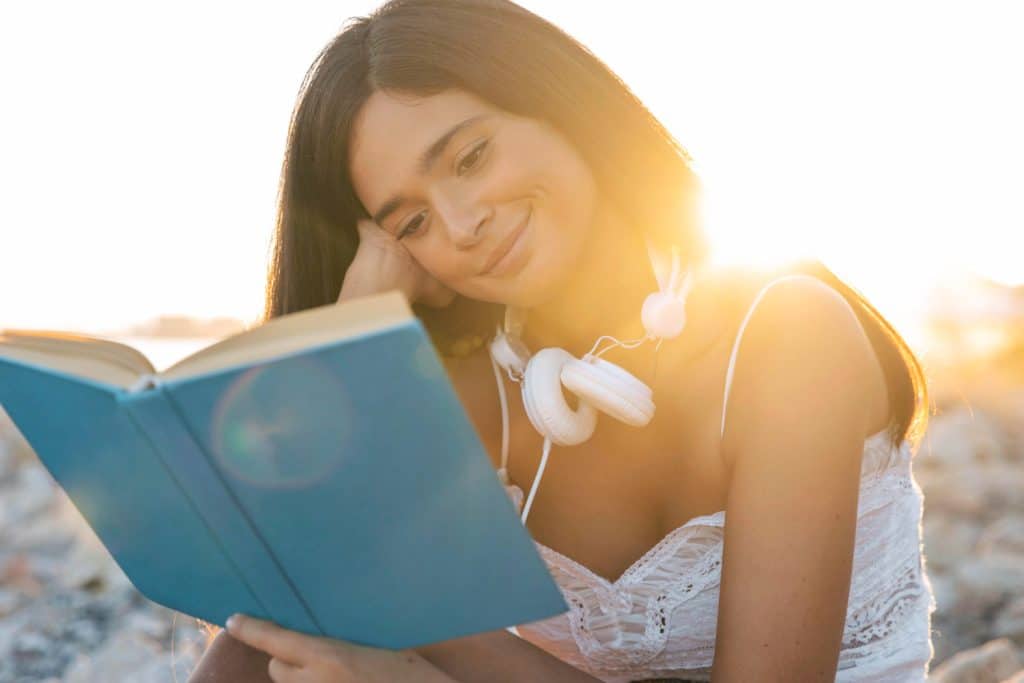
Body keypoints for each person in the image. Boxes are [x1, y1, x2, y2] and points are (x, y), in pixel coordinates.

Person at [186, 0, 937, 680]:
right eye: (410, 222)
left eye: (470, 156)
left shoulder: (783, 333)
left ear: (557, 102)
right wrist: (352, 332)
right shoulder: (481, 391)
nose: (460, 223)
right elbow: (268, 623)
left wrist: (424, 657)